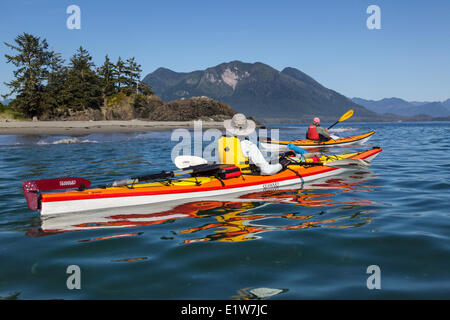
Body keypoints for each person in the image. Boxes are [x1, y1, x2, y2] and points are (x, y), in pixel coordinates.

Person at [220, 113, 290, 175]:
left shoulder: (220, 140)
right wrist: (281, 165)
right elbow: (267, 171)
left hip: (226, 173)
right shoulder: (248, 145)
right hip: (244, 176)